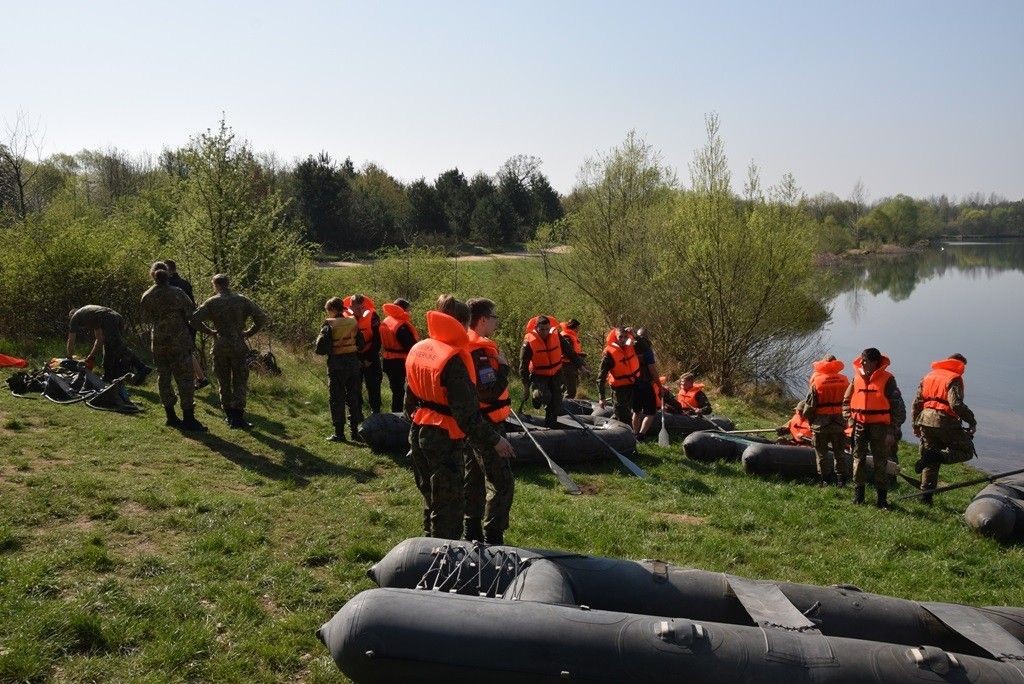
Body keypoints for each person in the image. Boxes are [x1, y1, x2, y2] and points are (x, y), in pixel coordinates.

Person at [405, 296, 514, 539]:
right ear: (462, 323)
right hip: (444, 436)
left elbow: (408, 401)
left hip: (419, 430)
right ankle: (445, 561)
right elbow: (467, 416)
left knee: (431, 497)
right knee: (448, 509)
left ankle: (427, 548)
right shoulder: (453, 359)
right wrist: (496, 440)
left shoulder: (420, 349)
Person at [463, 297, 514, 544]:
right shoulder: (480, 352)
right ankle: (493, 536)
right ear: (483, 319)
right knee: (502, 482)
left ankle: (470, 530)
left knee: (473, 478)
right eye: (494, 317)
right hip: (485, 425)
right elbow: (489, 392)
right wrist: (504, 368)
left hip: (472, 422)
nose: (496, 322)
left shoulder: (466, 344)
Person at [190, 274, 268, 429]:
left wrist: (210, 331)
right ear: (228, 283)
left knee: (223, 381)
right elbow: (261, 317)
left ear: (215, 285)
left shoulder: (212, 302)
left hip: (220, 345)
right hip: (238, 344)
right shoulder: (242, 299)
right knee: (240, 380)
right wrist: (249, 332)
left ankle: (229, 415)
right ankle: (238, 417)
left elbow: (194, 319)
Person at [139, 263, 206, 431]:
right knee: (185, 378)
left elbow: (145, 318)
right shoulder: (178, 293)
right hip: (179, 340)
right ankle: (189, 418)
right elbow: (191, 314)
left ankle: (170, 416)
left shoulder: (147, 295)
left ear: (153, 276)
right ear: (168, 276)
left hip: (159, 342)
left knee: (164, 377)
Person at [843, 347, 906, 508]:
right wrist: (849, 419)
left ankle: (882, 500)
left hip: (880, 427)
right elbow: (846, 401)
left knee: (880, 462)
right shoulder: (856, 378)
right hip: (859, 426)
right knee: (858, 459)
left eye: (866, 361)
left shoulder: (888, 380)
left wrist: (892, 431)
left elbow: (897, 407)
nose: (862, 363)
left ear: (875, 362)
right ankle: (859, 496)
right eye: (862, 360)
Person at [911, 354, 977, 505]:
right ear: (960, 365)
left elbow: (916, 403)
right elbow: (956, 405)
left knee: (929, 457)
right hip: (944, 421)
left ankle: (925, 498)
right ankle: (939, 456)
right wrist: (971, 421)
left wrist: (915, 425)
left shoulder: (928, 376)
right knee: (966, 451)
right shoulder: (953, 378)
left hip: (925, 419)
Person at [317, 297, 364, 442]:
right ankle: (355, 432)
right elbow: (361, 344)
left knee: (337, 399)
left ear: (332, 309)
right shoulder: (352, 322)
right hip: (354, 366)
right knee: (353, 398)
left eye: (327, 310)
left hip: (337, 367)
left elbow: (319, 349)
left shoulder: (328, 326)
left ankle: (339, 433)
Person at [66, 305, 150, 385]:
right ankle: (108, 377)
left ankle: (141, 367)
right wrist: (91, 356)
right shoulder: (91, 315)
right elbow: (99, 340)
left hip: (109, 319)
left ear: (72, 315)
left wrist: (69, 357)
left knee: (118, 346)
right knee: (109, 347)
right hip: (117, 317)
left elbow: (71, 340)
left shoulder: (75, 317)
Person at [802, 355, 850, 486]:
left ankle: (825, 481)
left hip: (820, 425)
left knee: (821, 454)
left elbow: (809, 406)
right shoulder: (845, 381)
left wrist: (809, 420)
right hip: (839, 424)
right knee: (839, 453)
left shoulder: (817, 382)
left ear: (823, 364)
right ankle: (841, 481)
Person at [164, 259, 209, 390]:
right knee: (188, 350)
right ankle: (200, 378)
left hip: (177, 322)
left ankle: (190, 380)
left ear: (167, 269)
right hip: (190, 321)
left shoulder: (168, 284)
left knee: (178, 352)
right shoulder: (185, 283)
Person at [519, 315, 564, 428]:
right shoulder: (529, 341)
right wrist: (525, 386)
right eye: (541, 330)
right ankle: (536, 397)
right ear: (536, 328)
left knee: (555, 404)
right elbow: (523, 365)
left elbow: (568, 350)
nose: (544, 332)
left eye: (547, 329)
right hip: (539, 375)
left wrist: (581, 365)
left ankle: (551, 427)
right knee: (545, 396)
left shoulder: (555, 335)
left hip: (556, 374)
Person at [379, 299, 419, 412]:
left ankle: (396, 415)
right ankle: (399, 416)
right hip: (399, 362)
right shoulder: (400, 326)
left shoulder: (386, 321)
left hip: (387, 361)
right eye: (408, 309)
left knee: (396, 391)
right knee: (402, 392)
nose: (409, 312)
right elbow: (410, 345)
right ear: (403, 309)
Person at [345, 294, 383, 414]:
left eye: (361, 308)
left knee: (374, 386)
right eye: (357, 308)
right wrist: (356, 360)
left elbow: (378, 339)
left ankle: (376, 413)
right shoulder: (345, 317)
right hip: (353, 357)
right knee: (354, 388)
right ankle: (357, 415)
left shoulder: (373, 316)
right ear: (351, 307)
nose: (360, 311)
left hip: (371, 355)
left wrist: (369, 359)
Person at [598, 327, 639, 424]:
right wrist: (601, 397)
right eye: (620, 337)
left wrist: (634, 334)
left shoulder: (630, 345)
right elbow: (601, 376)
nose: (623, 340)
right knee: (623, 416)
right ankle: (624, 436)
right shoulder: (609, 353)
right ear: (616, 338)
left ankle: (609, 429)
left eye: (625, 337)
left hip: (631, 386)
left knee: (623, 413)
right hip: (619, 390)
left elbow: (646, 345)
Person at [630, 328, 661, 441]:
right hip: (645, 384)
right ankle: (641, 435)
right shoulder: (647, 351)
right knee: (650, 412)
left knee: (636, 411)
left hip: (633, 384)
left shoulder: (630, 349)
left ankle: (634, 434)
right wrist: (659, 386)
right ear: (647, 338)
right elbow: (652, 370)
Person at [558, 319, 588, 399]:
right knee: (571, 391)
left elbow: (571, 351)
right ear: (574, 327)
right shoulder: (566, 336)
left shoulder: (570, 335)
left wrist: (579, 355)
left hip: (571, 364)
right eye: (578, 327)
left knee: (565, 387)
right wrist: (579, 355)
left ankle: (559, 405)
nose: (579, 329)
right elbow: (567, 352)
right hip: (566, 365)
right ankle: (565, 408)